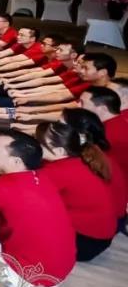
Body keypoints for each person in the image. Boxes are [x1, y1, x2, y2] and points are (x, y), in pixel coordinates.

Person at [0, 131, 76, 287]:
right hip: (58, 271)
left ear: (16, 161)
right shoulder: (40, 177)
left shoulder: (3, 190)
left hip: (28, 280)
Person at [35, 110, 126, 261]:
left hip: (85, 242)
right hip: (102, 236)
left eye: (40, 144)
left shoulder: (60, 170)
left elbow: (26, 192)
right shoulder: (87, 157)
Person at [82, 86, 128, 184]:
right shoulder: (122, 120)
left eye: (82, 103)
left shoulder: (104, 135)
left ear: (102, 108)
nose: (78, 106)